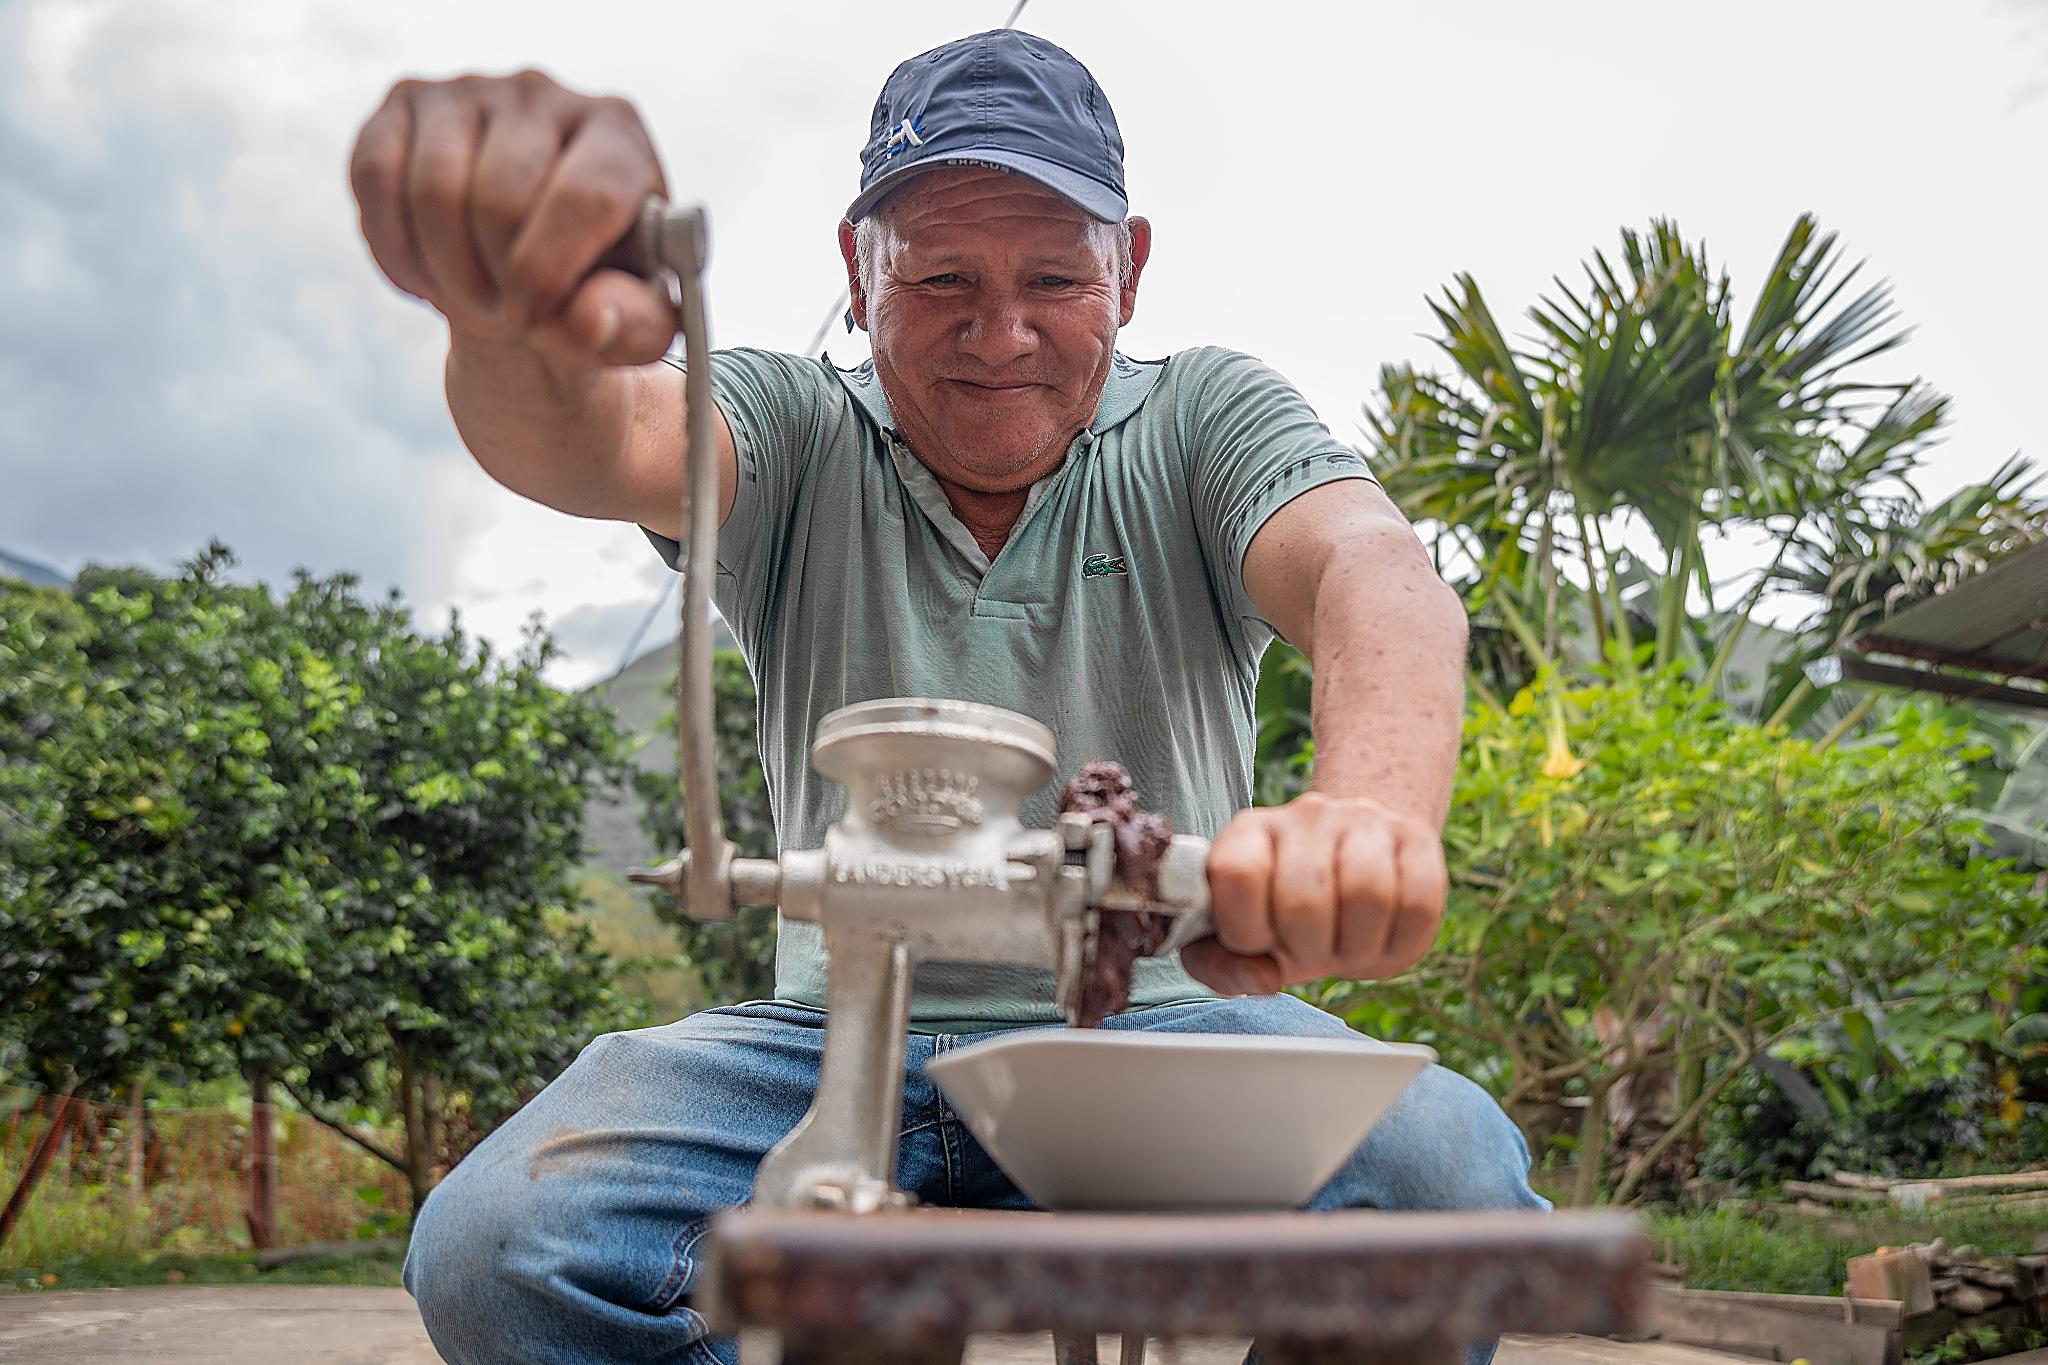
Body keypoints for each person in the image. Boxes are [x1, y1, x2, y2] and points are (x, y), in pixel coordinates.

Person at [352, 29, 1546, 1365]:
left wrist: (1368, 811)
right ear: (857, 277)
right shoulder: (793, 426)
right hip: (823, 1032)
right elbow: (599, 434)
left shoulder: (1206, 419)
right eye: (940, 280)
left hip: (1165, 1023)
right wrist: (506, 305)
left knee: (1450, 1186)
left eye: (1051, 277)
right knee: (498, 1246)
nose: (1001, 333)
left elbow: (1372, 571)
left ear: (1130, 270)